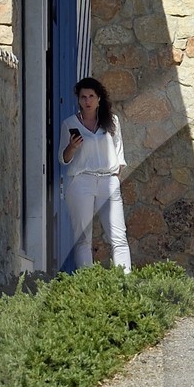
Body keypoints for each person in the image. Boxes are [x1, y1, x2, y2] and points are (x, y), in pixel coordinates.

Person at [60, 76, 131, 272]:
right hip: (82, 181)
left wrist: (114, 179)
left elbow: (119, 155)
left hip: (108, 181)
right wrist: (72, 147)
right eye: (83, 97)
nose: (87, 101)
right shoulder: (69, 123)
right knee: (83, 237)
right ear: (78, 100)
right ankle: (87, 283)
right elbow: (64, 158)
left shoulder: (112, 122)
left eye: (91, 96)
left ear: (99, 98)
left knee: (118, 236)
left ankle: (125, 284)